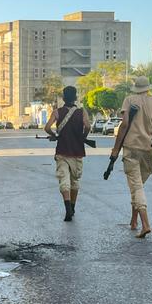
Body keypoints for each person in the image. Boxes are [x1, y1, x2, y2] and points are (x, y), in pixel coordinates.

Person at [109, 76, 152, 238]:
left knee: (136, 187)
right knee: (138, 186)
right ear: (148, 88)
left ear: (136, 88)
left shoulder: (129, 100)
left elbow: (124, 125)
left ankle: (146, 225)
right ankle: (134, 221)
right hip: (147, 150)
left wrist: (115, 149)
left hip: (130, 149)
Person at [44, 85, 90, 222]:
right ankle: (73, 207)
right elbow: (87, 126)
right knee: (74, 181)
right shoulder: (82, 112)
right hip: (77, 151)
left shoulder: (57, 112)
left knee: (64, 180)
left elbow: (47, 127)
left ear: (63, 98)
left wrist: (55, 135)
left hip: (62, 150)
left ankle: (67, 209)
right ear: (75, 97)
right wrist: (83, 136)